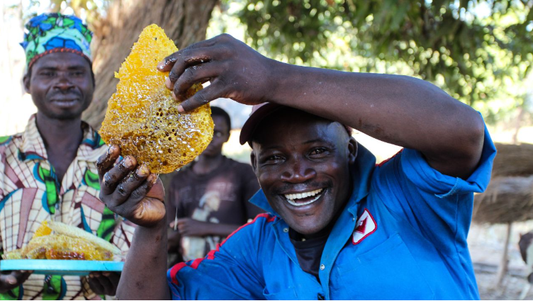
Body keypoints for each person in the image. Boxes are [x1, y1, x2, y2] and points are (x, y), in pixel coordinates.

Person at [96, 34, 496, 299]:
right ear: (254, 166)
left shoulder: (404, 198)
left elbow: (461, 131)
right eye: (274, 158)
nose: (297, 172)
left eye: (318, 151)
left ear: (351, 151)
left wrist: (273, 77)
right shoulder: (256, 248)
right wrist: (150, 229)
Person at [0, 13, 135, 299]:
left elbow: (134, 254)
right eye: (48, 73)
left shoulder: (124, 162)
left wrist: (123, 280)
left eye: (75, 72)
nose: (63, 83)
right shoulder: (1, 157)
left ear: (92, 81)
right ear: (27, 83)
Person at [166, 106, 262, 265]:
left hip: (234, 268)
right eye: (205, 132)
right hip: (189, 270)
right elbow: (172, 230)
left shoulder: (242, 173)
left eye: (217, 133)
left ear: (227, 136)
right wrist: (173, 238)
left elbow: (260, 229)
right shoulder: (179, 180)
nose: (210, 139)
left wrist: (205, 227)